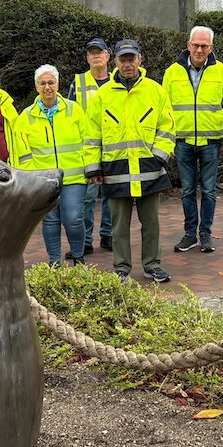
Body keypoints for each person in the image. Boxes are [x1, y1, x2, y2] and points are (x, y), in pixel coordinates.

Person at [85, 39, 175, 283]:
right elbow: (92, 134)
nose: (127, 64)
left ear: (140, 59)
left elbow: (167, 127)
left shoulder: (155, 91)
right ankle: (121, 268)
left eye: (131, 58)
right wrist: (93, 167)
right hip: (116, 169)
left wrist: (159, 156)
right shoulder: (102, 96)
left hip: (149, 168)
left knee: (151, 223)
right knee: (119, 225)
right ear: (115, 61)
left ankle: (152, 265)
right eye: (123, 59)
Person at [162, 25, 223, 254]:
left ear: (211, 47)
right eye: (195, 45)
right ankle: (189, 234)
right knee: (187, 191)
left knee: (208, 190)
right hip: (183, 142)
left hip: (212, 141)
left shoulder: (222, 72)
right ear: (188, 45)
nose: (199, 49)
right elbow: (164, 111)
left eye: (204, 46)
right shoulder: (172, 72)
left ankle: (205, 233)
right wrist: (168, 141)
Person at [13, 64, 92, 266]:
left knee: (74, 219)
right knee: (50, 221)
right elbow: (21, 152)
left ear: (58, 84)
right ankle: (54, 262)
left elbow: (88, 141)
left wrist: (90, 168)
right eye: (43, 83)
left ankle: (78, 257)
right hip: (44, 181)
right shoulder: (26, 116)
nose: (47, 87)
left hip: (74, 177)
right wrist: (32, 178)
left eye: (51, 82)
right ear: (36, 86)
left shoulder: (74, 110)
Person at [70, 38, 115, 255]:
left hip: (114, 147)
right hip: (87, 150)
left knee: (111, 196)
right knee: (87, 198)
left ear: (108, 56)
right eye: (92, 53)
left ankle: (108, 236)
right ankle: (85, 241)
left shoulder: (118, 81)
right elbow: (68, 116)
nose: (96, 56)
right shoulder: (77, 83)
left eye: (100, 52)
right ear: (87, 58)